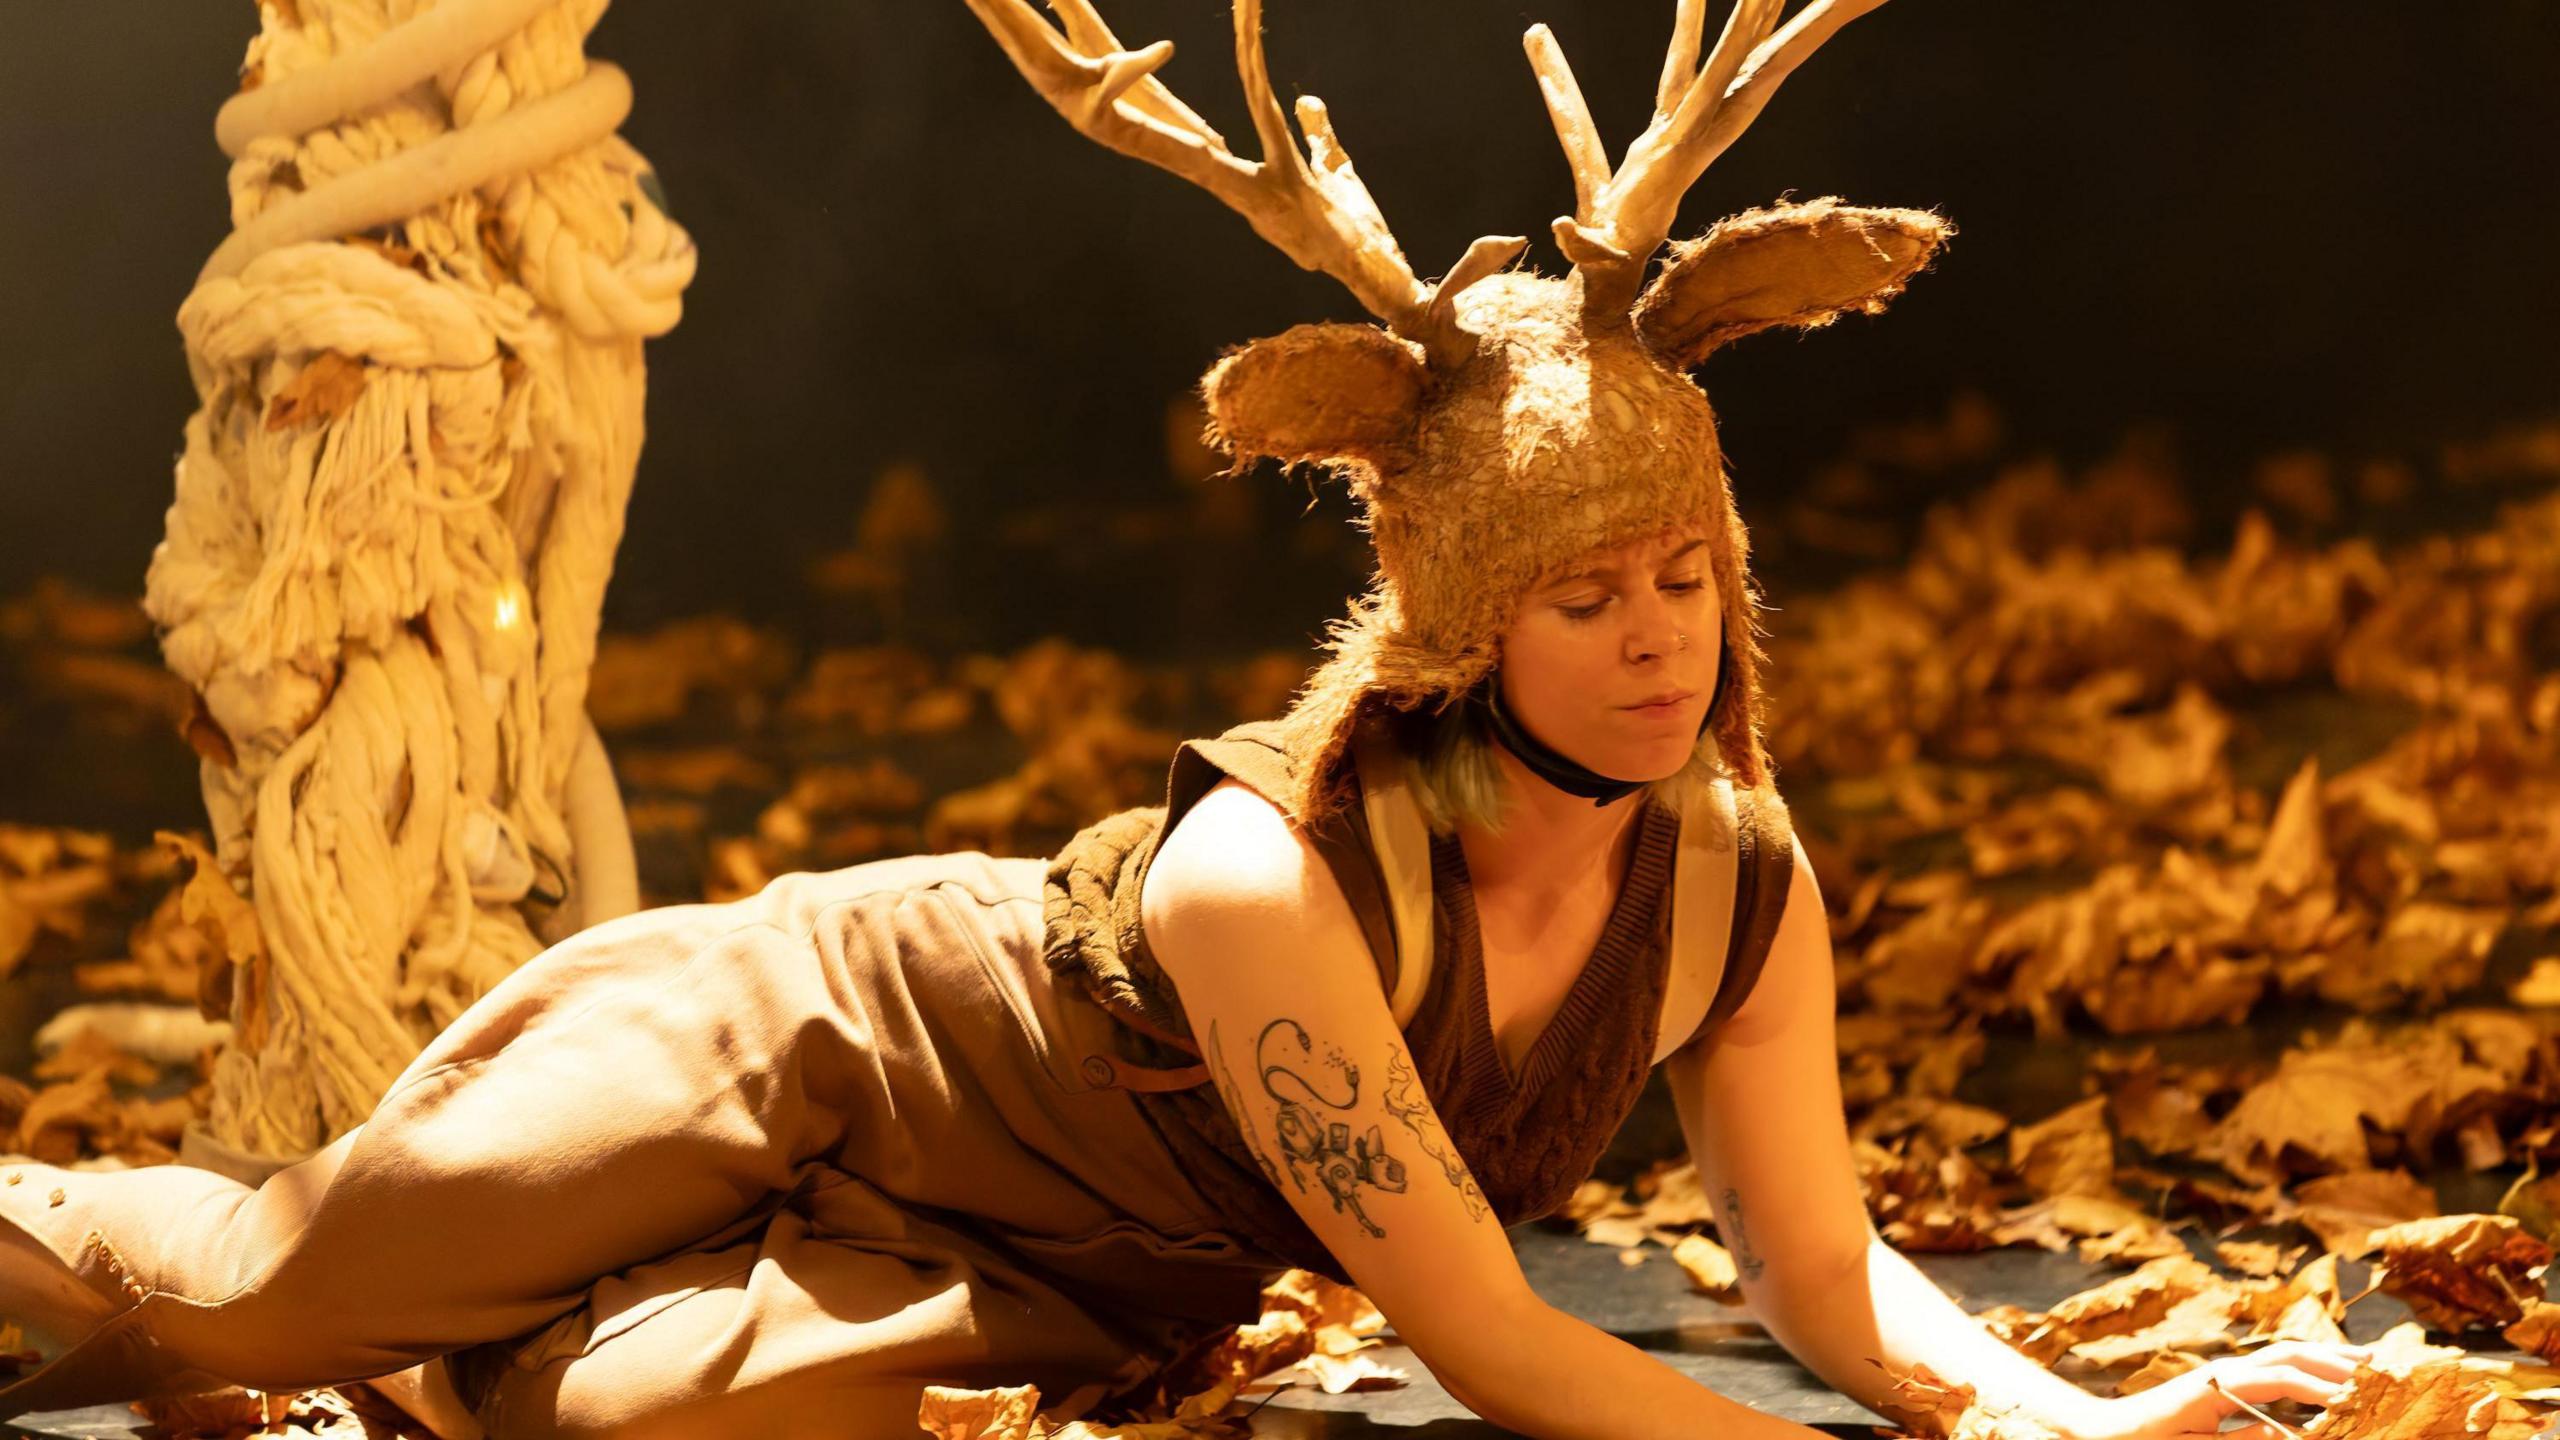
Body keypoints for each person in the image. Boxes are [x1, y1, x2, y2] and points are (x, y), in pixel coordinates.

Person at [0, 2, 2366, 1437]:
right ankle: (429, 1274)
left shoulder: (1734, 892)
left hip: (1012, 1269)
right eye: (1582, 597)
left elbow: (1835, 1298)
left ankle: (493, 1330)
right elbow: (1490, 1342)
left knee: (646, 1428)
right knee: (252, 1291)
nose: (1655, 644)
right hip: (821, 1036)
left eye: (1683, 583)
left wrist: (2078, 1411)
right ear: (1454, 632)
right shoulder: (1273, 876)